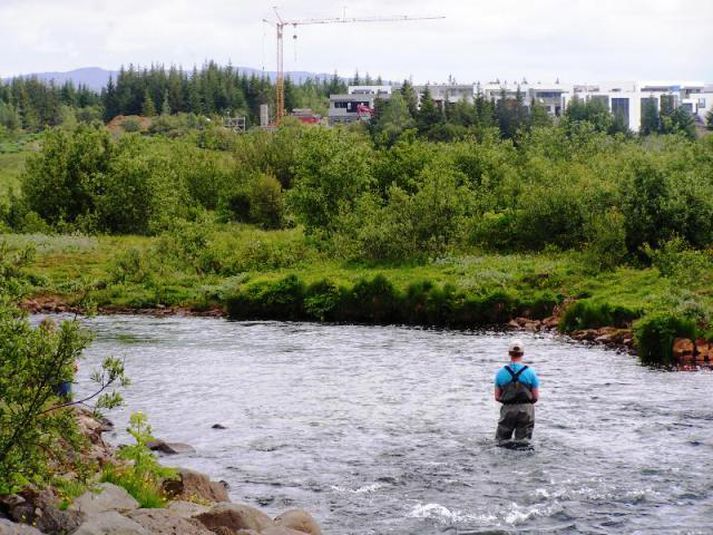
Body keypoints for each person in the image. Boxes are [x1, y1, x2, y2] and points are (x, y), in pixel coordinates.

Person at [494, 339, 540, 446]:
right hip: (526, 410)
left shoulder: (500, 373)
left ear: (509, 353)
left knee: (502, 442)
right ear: (522, 353)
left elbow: (497, 397)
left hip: (508, 409)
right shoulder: (531, 372)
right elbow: (535, 397)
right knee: (523, 443)